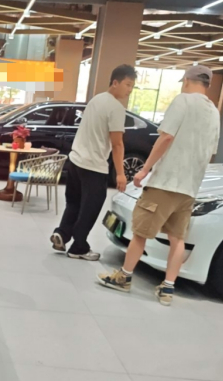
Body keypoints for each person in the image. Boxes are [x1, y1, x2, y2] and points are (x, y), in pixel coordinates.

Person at [98, 65, 221, 306]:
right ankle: (167, 288)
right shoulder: (214, 112)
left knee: (140, 232)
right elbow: (210, 151)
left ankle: (124, 277)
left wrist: (145, 169)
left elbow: (166, 137)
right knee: (177, 238)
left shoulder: (183, 101)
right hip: (189, 187)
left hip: (166, 182)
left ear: (187, 80)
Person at [50, 64, 137, 261]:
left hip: (76, 160)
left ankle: (62, 233)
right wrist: (121, 173)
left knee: (74, 202)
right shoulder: (116, 108)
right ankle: (79, 247)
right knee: (90, 208)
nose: (129, 90)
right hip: (94, 166)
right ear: (115, 82)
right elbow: (117, 143)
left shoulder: (96, 99)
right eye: (127, 84)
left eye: (132, 86)